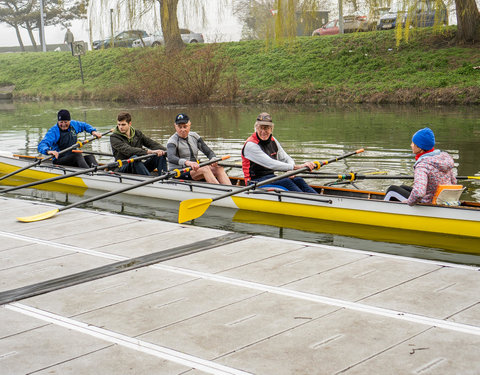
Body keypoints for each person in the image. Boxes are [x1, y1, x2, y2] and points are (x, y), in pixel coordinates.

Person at [241, 112, 317, 193]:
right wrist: (297, 167)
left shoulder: (273, 140)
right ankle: (307, 202)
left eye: (266, 128)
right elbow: (271, 163)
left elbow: (286, 158)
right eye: (260, 128)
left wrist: (291, 171)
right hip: (254, 182)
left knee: (298, 179)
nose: (263, 131)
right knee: (286, 182)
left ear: (271, 129)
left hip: (271, 177)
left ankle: (319, 199)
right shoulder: (251, 145)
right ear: (256, 128)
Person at [384, 127, 457, 205]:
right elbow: (454, 182)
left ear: (420, 147)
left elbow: (419, 193)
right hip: (439, 199)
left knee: (392, 190)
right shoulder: (443, 159)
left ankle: (382, 213)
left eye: (413, 143)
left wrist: (409, 202)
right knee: (402, 187)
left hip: (427, 203)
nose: (411, 145)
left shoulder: (422, 165)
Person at [167, 113, 231, 185]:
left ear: (189, 124)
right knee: (205, 168)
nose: (182, 130)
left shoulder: (194, 136)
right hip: (179, 172)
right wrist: (188, 162)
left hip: (194, 169)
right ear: (175, 126)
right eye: (180, 127)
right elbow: (171, 157)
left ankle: (232, 191)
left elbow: (208, 152)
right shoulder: (172, 141)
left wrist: (213, 158)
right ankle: (220, 191)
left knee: (219, 168)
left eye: (185, 126)